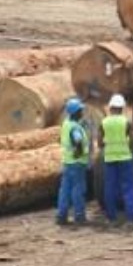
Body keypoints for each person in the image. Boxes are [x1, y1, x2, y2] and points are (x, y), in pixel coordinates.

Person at [99, 93, 133, 230]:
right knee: (128, 188)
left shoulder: (104, 123)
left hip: (110, 158)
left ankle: (111, 218)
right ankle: (131, 219)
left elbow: (100, 143)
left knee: (110, 188)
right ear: (122, 108)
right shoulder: (126, 123)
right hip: (125, 158)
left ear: (111, 107)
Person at [57, 97, 89, 226]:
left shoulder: (66, 124)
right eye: (80, 110)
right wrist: (79, 152)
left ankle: (61, 216)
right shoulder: (75, 127)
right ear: (76, 112)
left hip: (67, 162)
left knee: (65, 190)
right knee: (78, 190)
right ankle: (79, 215)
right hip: (77, 163)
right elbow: (77, 141)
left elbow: (60, 140)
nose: (82, 112)